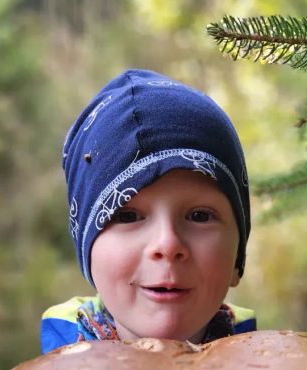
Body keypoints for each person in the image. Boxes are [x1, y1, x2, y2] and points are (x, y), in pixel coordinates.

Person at [40, 69, 256, 354]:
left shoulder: (265, 361)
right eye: (128, 216)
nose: (167, 244)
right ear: (88, 253)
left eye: (200, 216)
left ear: (237, 259)